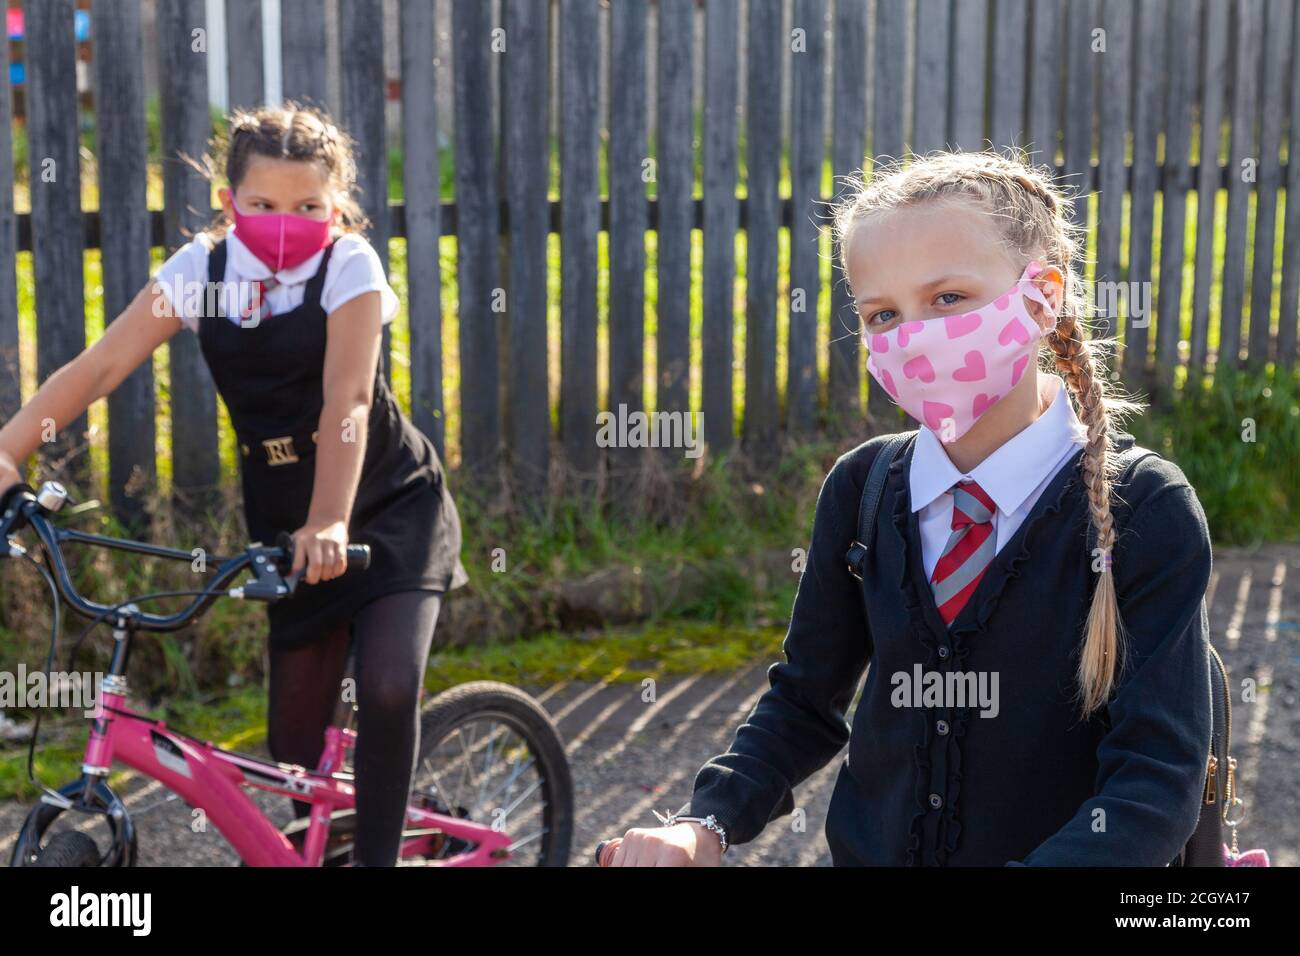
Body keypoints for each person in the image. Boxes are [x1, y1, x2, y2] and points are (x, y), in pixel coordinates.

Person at [606, 148, 1213, 866]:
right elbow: (803, 702)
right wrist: (703, 823)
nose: (913, 336)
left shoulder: (1145, 505)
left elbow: (1154, 780)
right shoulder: (862, 489)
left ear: (1041, 297)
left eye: (948, 298)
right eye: (883, 313)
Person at [0, 102, 469, 866]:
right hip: (289, 525)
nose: (286, 222)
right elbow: (101, 366)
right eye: (263, 205)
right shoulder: (204, 272)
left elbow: (348, 400)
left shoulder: (346, 265)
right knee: (293, 753)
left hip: (382, 511)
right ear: (229, 204)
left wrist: (331, 519)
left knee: (386, 686)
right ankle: (413, 820)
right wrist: (8, 452)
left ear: (337, 207)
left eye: (308, 207)